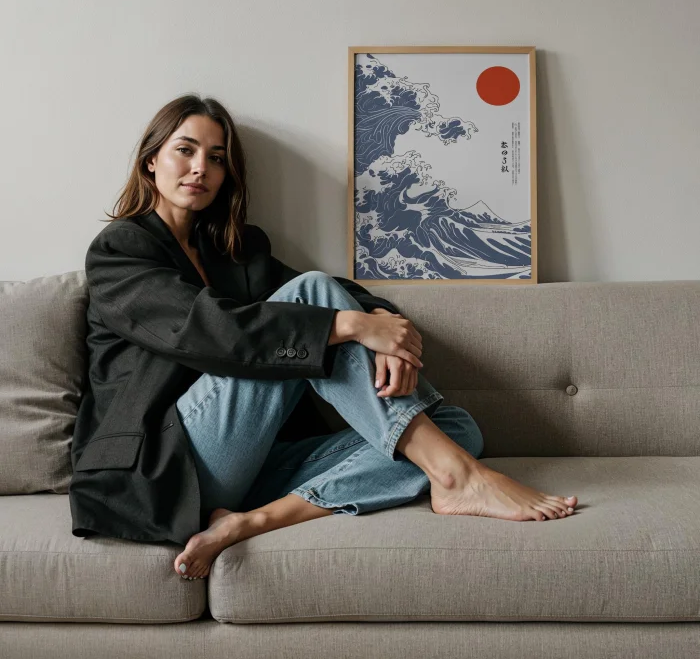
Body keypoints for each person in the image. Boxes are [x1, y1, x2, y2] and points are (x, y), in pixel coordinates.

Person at [70, 94, 577, 583]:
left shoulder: (233, 249)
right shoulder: (119, 251)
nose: (200, 167)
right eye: (185, 150)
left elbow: (341, 291)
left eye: (216, 158)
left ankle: (253, 521)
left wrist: (384, 325)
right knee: (315, 298)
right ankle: (456, 478)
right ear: (151, 160)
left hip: (252, 467)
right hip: (166, 464)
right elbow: (208, 332)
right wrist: (354, 327)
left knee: (454, 429)